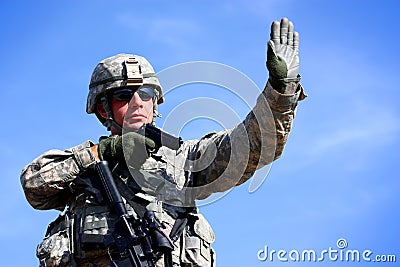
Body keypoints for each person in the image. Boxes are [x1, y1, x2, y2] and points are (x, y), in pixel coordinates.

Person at [20, 17, 307, 267]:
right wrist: (104, 152)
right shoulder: (84, 164)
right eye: (123, 96)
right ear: (102, 109)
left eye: (145, 94)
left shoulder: (184, 159)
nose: (137, 103)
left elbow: (252, 145)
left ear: (156, 103)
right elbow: (34, 184)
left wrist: (281, 90)